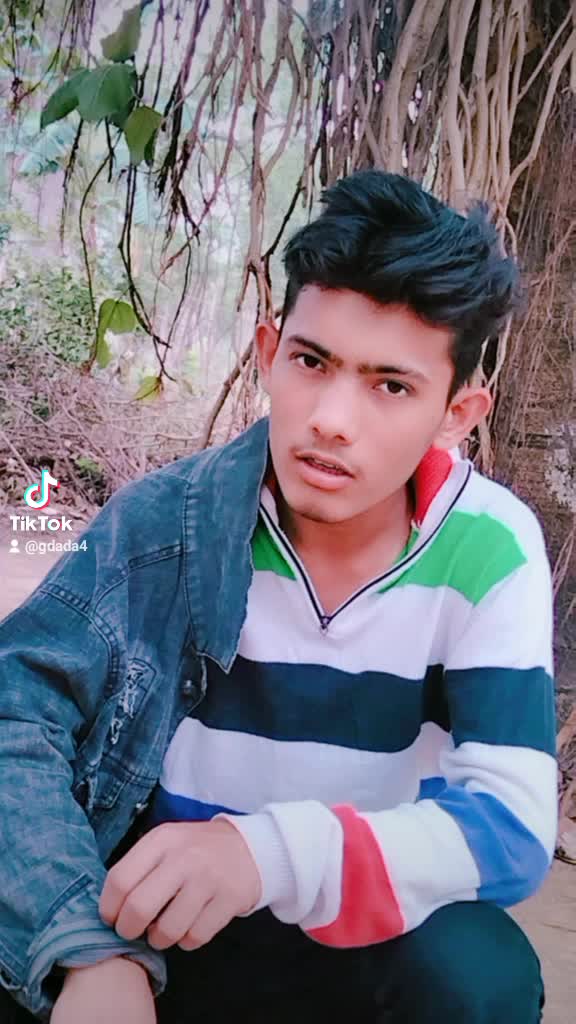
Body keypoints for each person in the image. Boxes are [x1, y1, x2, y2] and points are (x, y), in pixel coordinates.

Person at [0, 170, 557, 1024]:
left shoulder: (491, 548)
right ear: (269, 352)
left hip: (363, 945)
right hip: (162, 938)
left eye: (391, 385)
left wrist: (262, 853)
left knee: (477, 973)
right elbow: (15, 714)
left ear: (458, 412)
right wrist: (85, 948)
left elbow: (512, 826)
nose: (332, 418)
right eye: (311, 362)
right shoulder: (163, 524)